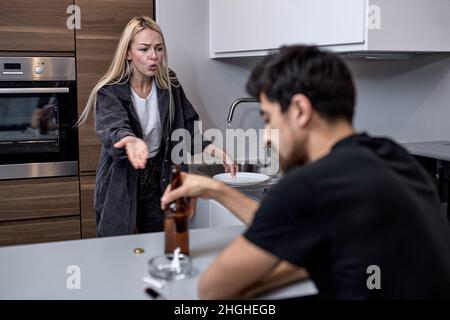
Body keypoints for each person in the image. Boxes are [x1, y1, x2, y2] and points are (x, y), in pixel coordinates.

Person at [161, 45, 450, 299]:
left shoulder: (310, 184)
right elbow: (291, 223)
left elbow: (213, 289)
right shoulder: (391, 153)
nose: (267, 138)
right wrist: (214, 189)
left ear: (299, 110)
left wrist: (297, 263)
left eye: (269, 119)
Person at [77, 16, 236, 236]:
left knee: (161, 242)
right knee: (115, 247)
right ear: (128, 53)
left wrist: (217, 151)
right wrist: (131, 140)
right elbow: (113, 127)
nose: (154, 56)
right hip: (121, 178)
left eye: (159, 48)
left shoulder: (169, 83)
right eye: (144, 49)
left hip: (159, 175)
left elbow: (187, 127)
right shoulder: (109, 91)